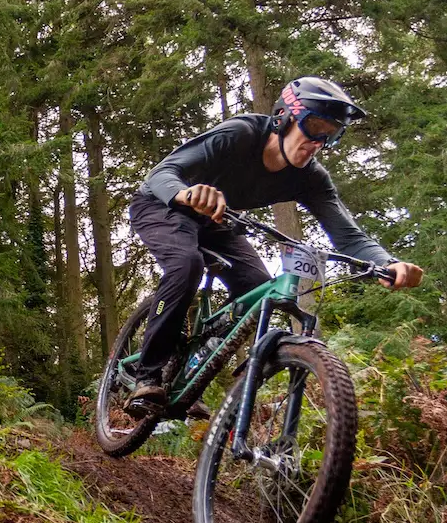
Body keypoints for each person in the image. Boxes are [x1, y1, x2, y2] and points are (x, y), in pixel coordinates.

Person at [126, 76, 423, 414]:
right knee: (185, 265)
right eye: (314, 128)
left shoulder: (311, 178)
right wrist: (185, 192)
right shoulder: (240, 135)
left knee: (258, 290)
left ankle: (187, 370)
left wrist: (388, 263)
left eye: (331, 135)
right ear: (284, 117)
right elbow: (161, 173)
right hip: (161, 205)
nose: (318, 143)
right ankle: (147, 374)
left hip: (217, 220)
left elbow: (348, 236)